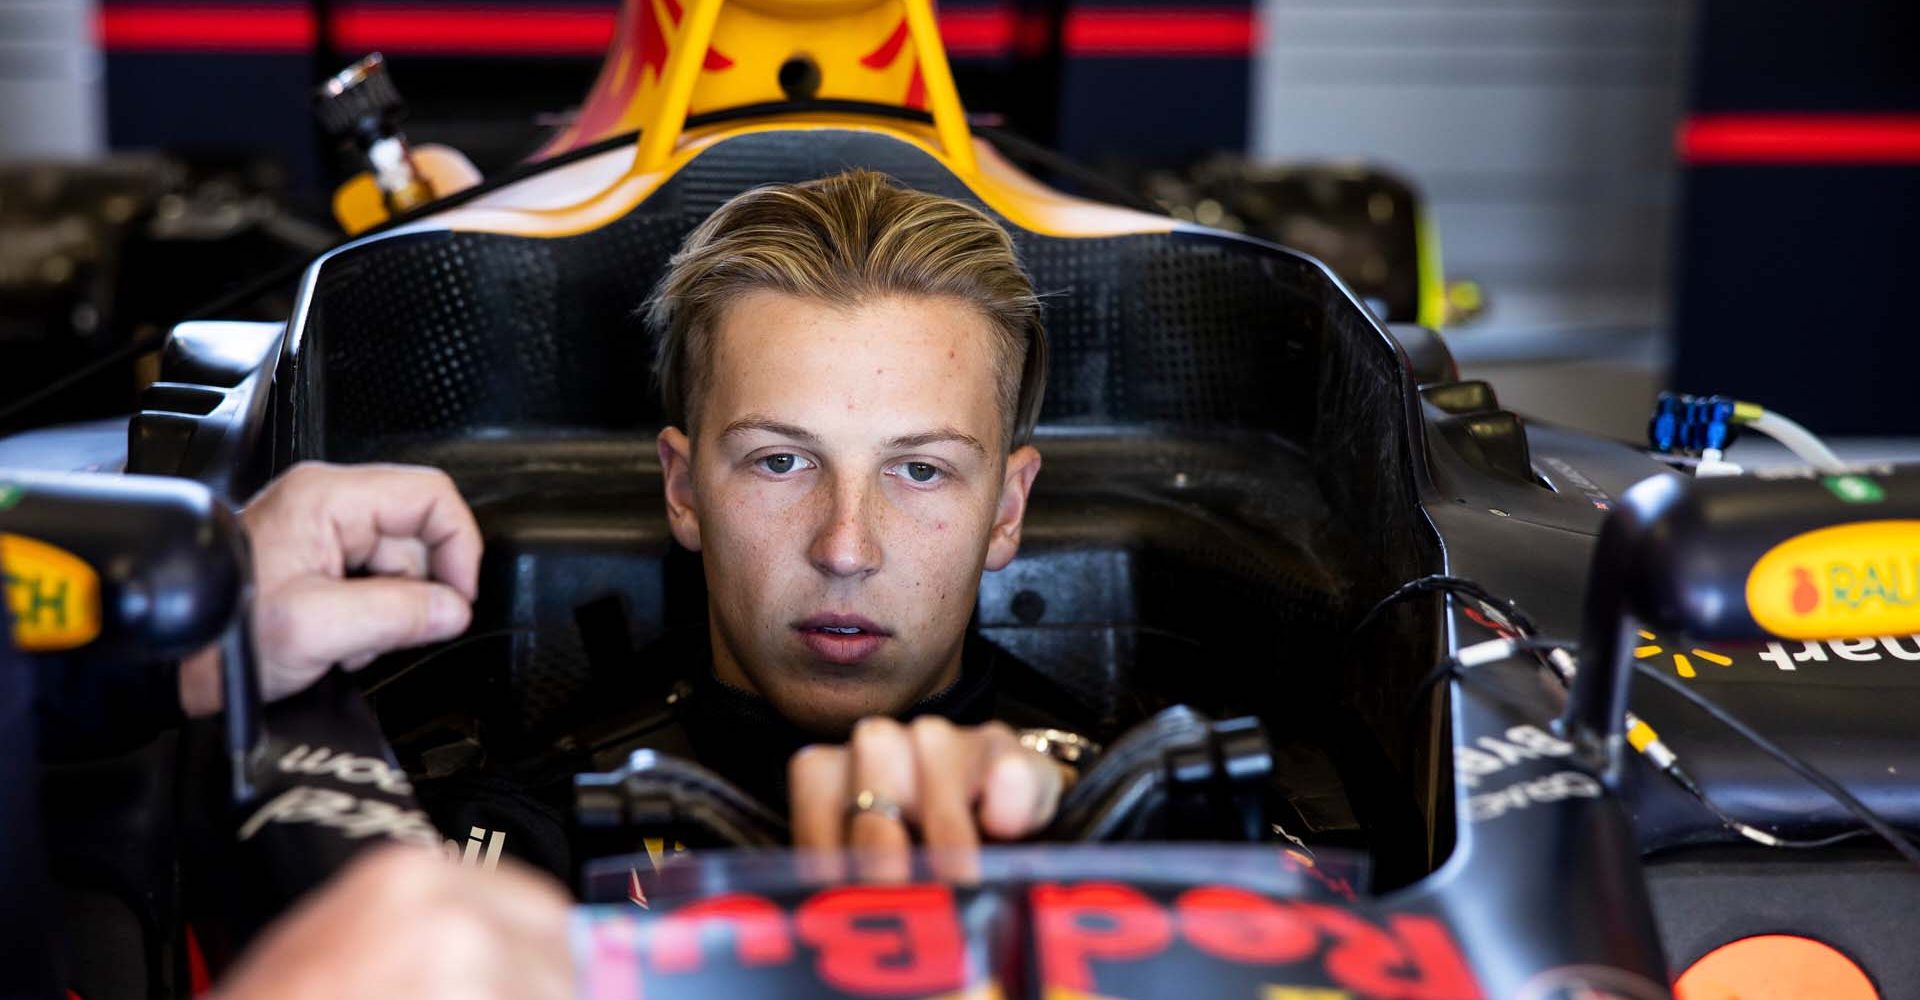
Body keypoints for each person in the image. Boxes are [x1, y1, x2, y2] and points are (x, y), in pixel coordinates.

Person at [179, 170, 1099, 883]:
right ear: (683, 489)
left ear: (1007, 509)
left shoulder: (1157, 818)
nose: (846, 548)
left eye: (920, 470)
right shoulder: (530, 843)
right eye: (781, 461)